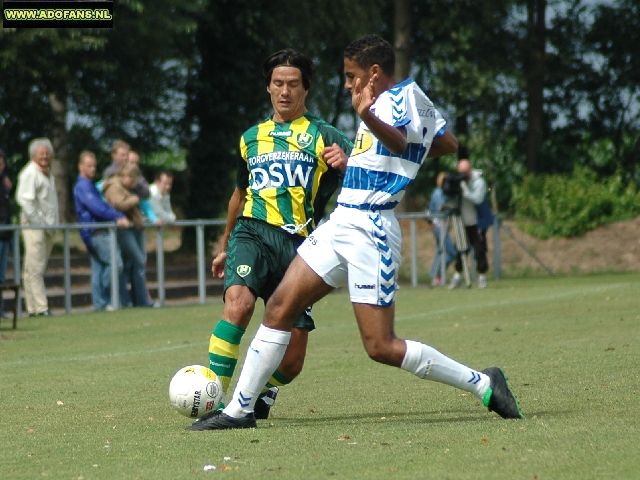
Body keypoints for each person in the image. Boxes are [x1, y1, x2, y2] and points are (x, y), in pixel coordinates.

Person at [188, 34, 522, 431]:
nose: (347, 84)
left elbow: (410, 143)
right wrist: (384, 146)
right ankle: (238, 411)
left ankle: (483, 383)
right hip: (341, 221)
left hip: (372, 229)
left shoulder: (399, 100)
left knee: (380, 346)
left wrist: (371, 121)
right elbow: (442, 143)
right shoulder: (385, 103)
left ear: (374, 73)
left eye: (352, 76)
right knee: (279, 308)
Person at [189, 48, 352, 426]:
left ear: (306, 89)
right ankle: (214, 401)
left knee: (292, 363)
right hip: (252, 233)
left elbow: (370, 168)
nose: (284, 91)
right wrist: (225, 243)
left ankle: (261, 388)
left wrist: (348, 164)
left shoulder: (327, 135)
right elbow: (240, 194)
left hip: (298, 249)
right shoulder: (250, 138)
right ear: (267, 87)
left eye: (293, 84)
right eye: (278, 83)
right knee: (239, 306)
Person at [73, 151, 130, 311]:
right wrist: (118, 216)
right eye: (89, 166)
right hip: (94, 232)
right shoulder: (83, 186)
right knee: (115, 263)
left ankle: (100, 304)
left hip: (94, 231)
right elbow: (97, 208)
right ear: (80, 166)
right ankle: (104, 298)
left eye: (94, 166)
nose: (93, 169)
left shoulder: (89, 185)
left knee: (98, 268)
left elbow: (102, 206)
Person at [15, 138, 59, 317]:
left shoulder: (47, 173)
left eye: (47, 153)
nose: (45, 156)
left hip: (46, 227)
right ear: (33, 155)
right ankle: (41, 308)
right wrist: (38, 223)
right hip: (35, 226)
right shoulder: (29, 173)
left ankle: (33, 308)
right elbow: (25, 200)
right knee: (35, 268)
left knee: (33, 268)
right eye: (42, 153)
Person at [102, 163, 154, 308]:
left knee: (129, 265)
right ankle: (140, 300)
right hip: (121, 230)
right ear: (125, 176)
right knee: (138, 261)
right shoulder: (114, 186)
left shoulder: (123, 187)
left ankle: (129, 301)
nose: (132, 184)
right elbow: (119, 204)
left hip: (131, 228)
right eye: (131, 180)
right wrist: (135, 199)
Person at [448, 158, 492, 289]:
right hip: (463, 221)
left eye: (464, 172)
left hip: (477, 222)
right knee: (460, 248)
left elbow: (477, 199)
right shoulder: (460, 182)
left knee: (480, 249)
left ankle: (482, 276)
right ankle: (457, 276)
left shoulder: (479, 182)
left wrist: (465, 190)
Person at [428, 172, 456, 286]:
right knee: (452, 252)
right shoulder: (439, 193)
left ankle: (436, 276)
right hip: (439, 225)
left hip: (440, 225)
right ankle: (437, 274)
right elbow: (441, 209)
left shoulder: (437, 192)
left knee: (440, 251)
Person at [0, 148, 13, 317]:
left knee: (1, 278)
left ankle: (1, 311)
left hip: (5, 235)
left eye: (2, 163)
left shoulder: (5, 182)